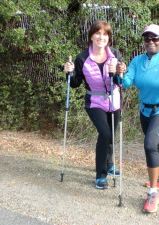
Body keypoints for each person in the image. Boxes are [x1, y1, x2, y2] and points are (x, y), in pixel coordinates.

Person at [118, 24, 159, 213]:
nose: (151, 42)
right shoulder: (137, 61)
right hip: (145, 109)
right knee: (155, 144)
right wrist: (120, 73)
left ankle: (153, 192)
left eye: (155, 38)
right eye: (147, 38)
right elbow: (125, 83)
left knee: (149, 144)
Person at [64, 21, 122, 189]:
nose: (101, 37)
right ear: (91, 36)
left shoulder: (115, 54)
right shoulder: (82, 57)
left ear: (109, 38)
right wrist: (69, 72)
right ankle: (100, 175)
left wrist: (117, 72)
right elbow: (75, 83)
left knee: (111, 135)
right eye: (98, 33)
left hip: (114, 100)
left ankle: (110, 165)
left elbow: (120, 82)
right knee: (104, 133)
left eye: (105, 34)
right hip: (94, 101)